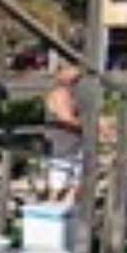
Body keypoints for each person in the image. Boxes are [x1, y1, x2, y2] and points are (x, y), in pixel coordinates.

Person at [44, 64, 83, 203]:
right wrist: (92, 127)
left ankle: (66, 216)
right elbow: (66, 118)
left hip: (75, 143)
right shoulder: (60, 93)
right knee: (58, 186)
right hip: (62, 145)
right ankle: (50, 218)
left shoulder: (72, 92)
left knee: (76, 185)